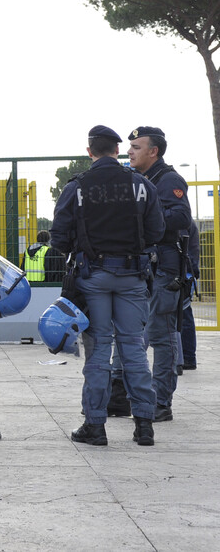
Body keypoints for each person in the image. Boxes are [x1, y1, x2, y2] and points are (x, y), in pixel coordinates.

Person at [51, 125, 164, 446]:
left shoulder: (78, 187)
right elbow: (157, 231)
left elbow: (59, 236)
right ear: (117, 150)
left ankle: (95, 425)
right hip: (132, 278)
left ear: (90, 152)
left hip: (93, 278)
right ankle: (144, 424)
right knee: (134, 349)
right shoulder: (141, 185)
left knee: (98, 351)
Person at [127, 126, 192, 422]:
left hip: (165, 268)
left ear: (153, 151)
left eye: (137, 147)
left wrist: (144, 219)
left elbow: (180, 217)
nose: (130, 151)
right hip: (143, 269)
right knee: (136, 334)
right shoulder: (140, 180)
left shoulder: (168, 180)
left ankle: (161, 401)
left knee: (162, 335)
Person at [181, 220, 200, 370]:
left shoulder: (182, 223)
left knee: (183, 316)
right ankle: (187, 358)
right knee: (185, 315)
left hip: (184, 273)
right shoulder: (188, 222)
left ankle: (187, 358)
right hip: (188, 273)